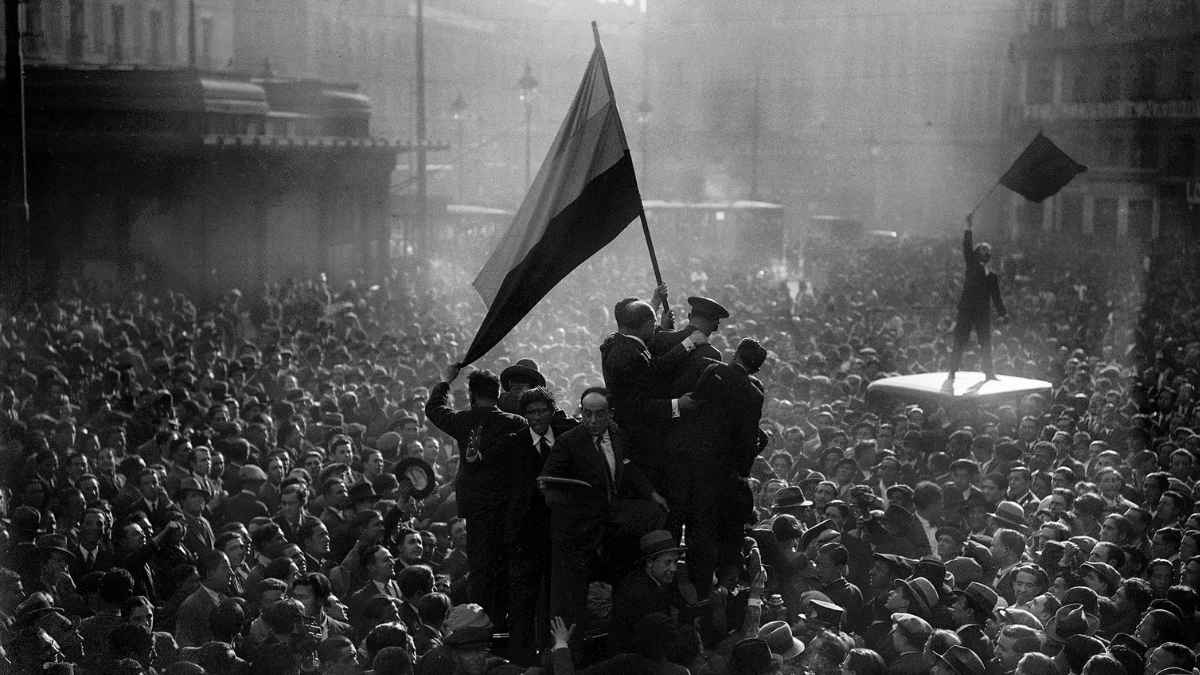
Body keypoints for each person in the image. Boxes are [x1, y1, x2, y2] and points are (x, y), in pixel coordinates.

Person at [539, 387, 668, 650]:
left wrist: (652, 493)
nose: (593, 421)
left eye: (599, 414)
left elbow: (629, 466)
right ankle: (567, 653)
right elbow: (547, 482)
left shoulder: (618, 435)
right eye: (587, 414)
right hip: (579, 530)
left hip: (611, 524)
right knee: (572, 598)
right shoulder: (569, 442)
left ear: (610, 414)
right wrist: (578, 503)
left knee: (652, 519)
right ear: (581, 412)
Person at [424, 365, 527, 626]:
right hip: (509, 508)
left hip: (476, 510)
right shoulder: (516, 423)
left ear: (472, 395)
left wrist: (445, 382)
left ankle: (483, 620)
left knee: (480, 568)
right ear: (497, 394)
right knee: (507, 563)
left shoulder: (462, 421)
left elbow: (434, 409)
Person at [502, 385, 578, 664]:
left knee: (556, 599)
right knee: (524, 601)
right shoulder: (514, 444)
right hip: (526, 536)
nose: (537, 417)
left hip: (560, 533)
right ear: (524, 415)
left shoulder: (567, 437)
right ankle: (522, 660)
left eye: (542, 410)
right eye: (531, 412)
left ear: (551, 411)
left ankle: (554, 654)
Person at [599, 291, 704, 489]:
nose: (656, 329)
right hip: (638, 439)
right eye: (653, 325)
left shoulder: (620, 342)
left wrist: (655, 308)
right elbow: (640, 402)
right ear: (647, 325)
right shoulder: (629, 355)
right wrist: (677, 405)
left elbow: (650, 364)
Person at [947, 214, 1007, 380]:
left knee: (986, 342)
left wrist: (1003, 313)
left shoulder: (992, 275)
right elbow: (967, 246)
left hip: (982, 312)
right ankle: (953, 370)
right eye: (982, 250)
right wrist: (968, 228)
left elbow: (996, 296)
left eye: (987, 251)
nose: (985, 253)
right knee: (960, 340)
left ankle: (989, 372)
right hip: (967, 309)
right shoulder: (971, 265)